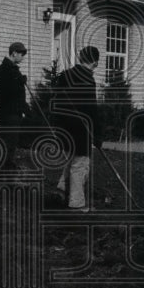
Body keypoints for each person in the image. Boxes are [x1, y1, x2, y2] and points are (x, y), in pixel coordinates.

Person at [50, 45, 103, 211]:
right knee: (80, 165)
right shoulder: (88, 79)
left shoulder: (65, 75)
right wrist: (98, 134)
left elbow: (55, 102)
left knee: (72, 160)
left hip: (65, 129)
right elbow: (92, 109)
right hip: (81, 130)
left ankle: (61, 189)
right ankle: (77, 204)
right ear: (94, 62)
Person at [0, 41, 28, 169]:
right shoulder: (4, 70)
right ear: (14, 53)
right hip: (9, 113)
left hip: (15, 112)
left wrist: (25, 109)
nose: (22, 58)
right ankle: (2, 170)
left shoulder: (13, 69)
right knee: (8, 142)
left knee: (12, 142)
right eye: (21, 54)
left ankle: (8, 165)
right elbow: (6, 93)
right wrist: (19, 82)